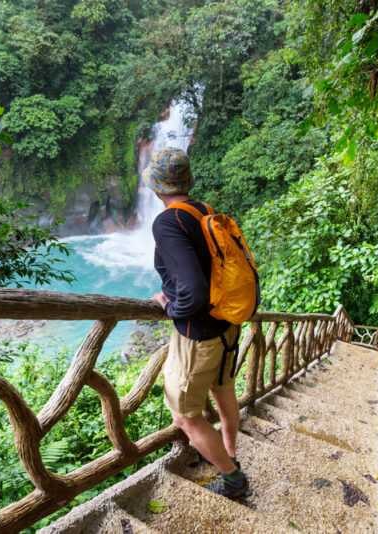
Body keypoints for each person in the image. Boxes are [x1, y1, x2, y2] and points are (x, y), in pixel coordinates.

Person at [143, 146, 248, 499]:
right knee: (223, 391)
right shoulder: (204, 211)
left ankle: (233, 477)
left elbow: (193, 289)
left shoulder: (167, 222)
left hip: (199, 337)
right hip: (227, 327)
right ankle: (229, 450)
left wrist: (171, 306)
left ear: (157, 186)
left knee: (185, 416)